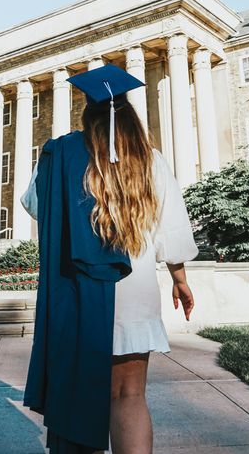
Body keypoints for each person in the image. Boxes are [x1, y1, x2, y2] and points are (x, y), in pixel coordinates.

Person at [21, 64, 199, 454]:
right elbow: (172, 232)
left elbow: (35, 206)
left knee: (77, 392)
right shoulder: (151, 160)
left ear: (87, 112)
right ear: (128, 111)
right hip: (134, 291)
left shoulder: (61, 153)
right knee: (129, 396)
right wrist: (180, 279)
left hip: (79, 289)